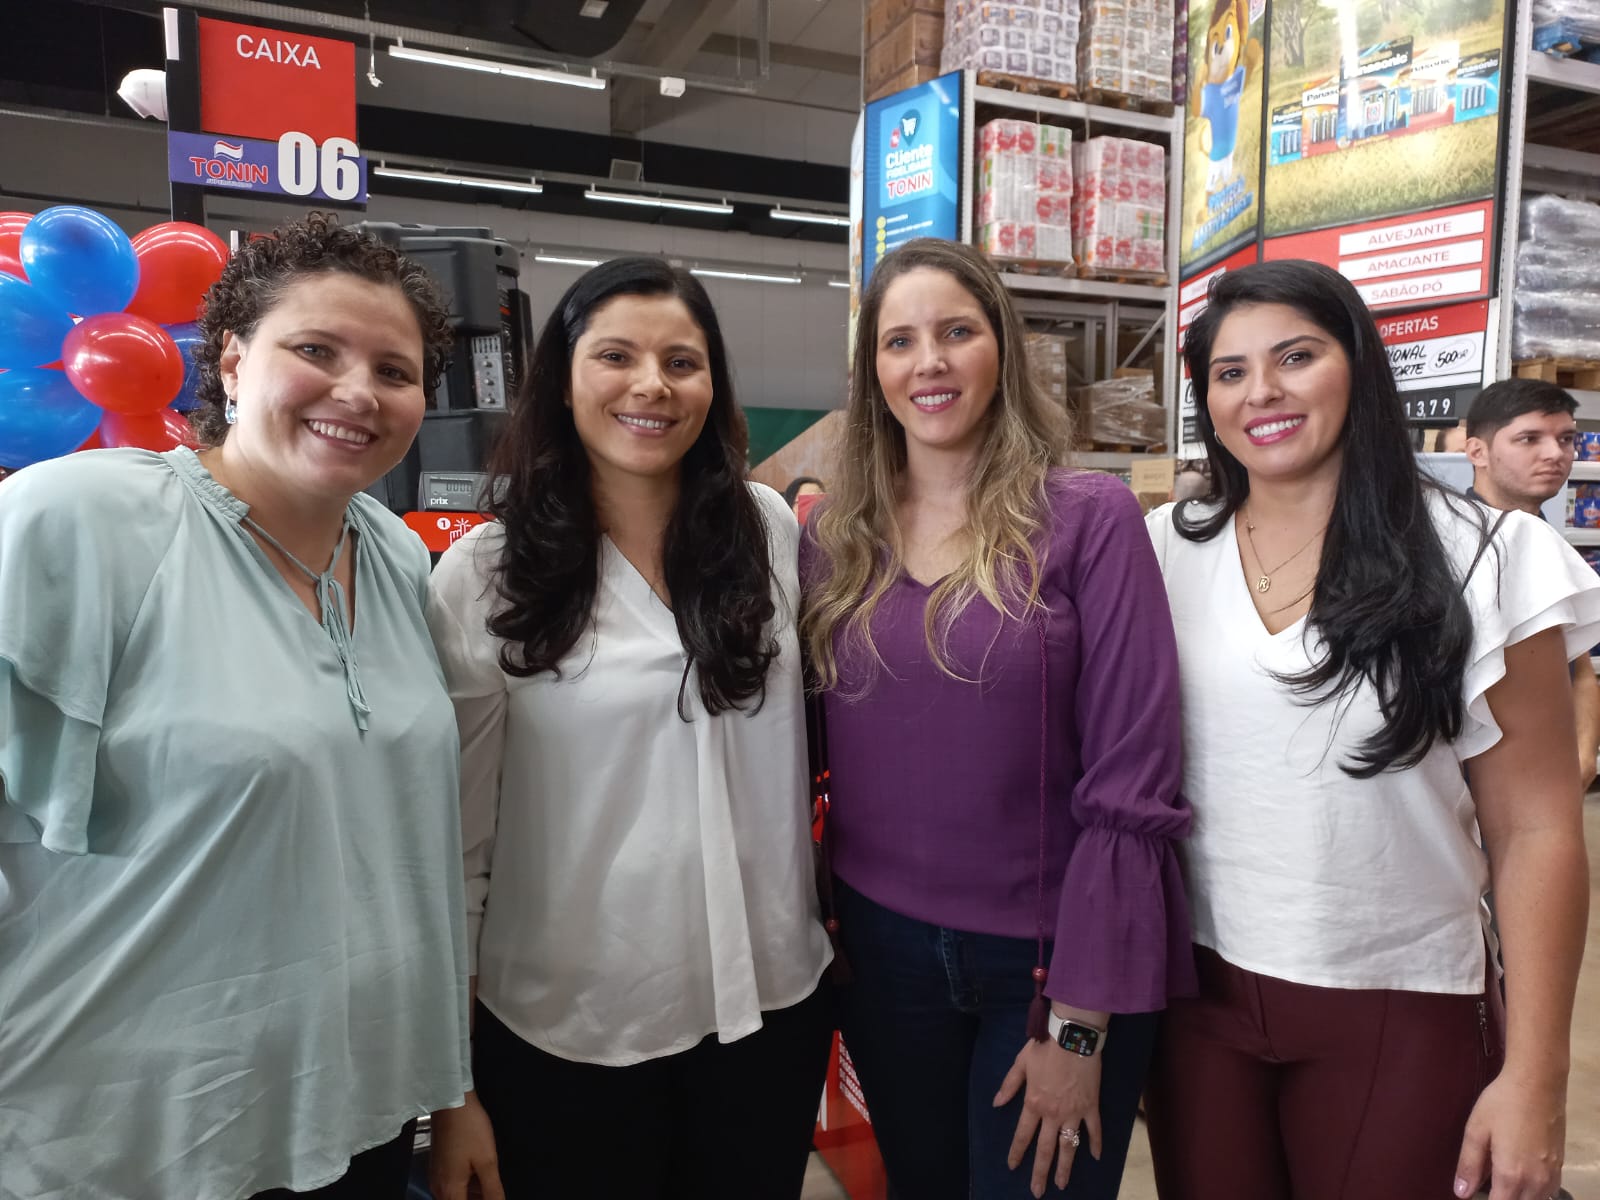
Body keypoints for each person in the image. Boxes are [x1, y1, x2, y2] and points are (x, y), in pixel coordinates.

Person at [0, 213, 472, 1199]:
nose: (357, 391)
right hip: (121, 1138)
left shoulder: (387, 553)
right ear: (229, 361)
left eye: (394, 370)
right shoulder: (81, 520)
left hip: (355, 1112)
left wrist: (452, 1087)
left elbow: (409, 843)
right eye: (315, 350)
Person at [1143, 259, 1596, 1200]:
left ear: (1357, 364)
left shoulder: (1486, 558)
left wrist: (1536, 1078)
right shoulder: (1163, 547)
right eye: (1229, 373)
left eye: (1296, 357)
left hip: (1402, 997)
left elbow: (1539, 827)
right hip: (1197, 998)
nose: (1261, 392)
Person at [425, 257, 833, 1200]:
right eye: (616, 356)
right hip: (572, 1031)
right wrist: (450, 1085)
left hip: (769, 1008)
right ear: (563, 381)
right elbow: (457, 846)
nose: (651, 385)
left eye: (682, 362)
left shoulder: (765, 530)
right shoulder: (488, 573)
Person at [800, 238, 1194, 1200]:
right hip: (883, 958)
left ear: (1002, 352)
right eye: (899, 342)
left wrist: (1081, 1020)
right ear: (873, 373)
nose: (927, 361)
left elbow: (1133, 778)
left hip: (1051, 958)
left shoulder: (1088, 518)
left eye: (956, 332)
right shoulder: (831, 539)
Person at [1465, 377, 1600, 791]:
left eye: (1565, 439)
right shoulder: (1445, 548)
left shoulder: (1550, 547)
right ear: (1477, 451)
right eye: (1529, 439)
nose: (1554, 454)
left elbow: (1578, 669)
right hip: (1464, 785)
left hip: (1543, 780)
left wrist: (1582, 759)